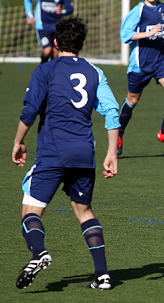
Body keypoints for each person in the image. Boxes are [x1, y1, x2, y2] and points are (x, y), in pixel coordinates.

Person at [12, 16, 119, 290]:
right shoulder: (95, 71)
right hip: (85, 154)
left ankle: (39, 253)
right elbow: (111, 112)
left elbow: (30, 111)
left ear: (56, 43)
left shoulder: (45, 71)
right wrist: (111, 154)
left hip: (53, 153)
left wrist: (18, 142)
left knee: (30, 212)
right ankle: (103, 275)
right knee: (84, 211)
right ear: (82, 43)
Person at [117, 0, 164, 155]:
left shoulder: (162, 8)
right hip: (141, 63)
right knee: (132, 100)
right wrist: (148, 33)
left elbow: (158, 30)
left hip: (160, 59)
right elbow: (125, 35)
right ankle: (119, 133)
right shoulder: (138, 11)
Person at [24, 0, 74, 64]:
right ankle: (42, 71)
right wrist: (29, 15)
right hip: (42, 26)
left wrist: (62, 12)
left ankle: (53, 73)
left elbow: (70, 9)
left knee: (56, 52)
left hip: (56, 26)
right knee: (47, 50)